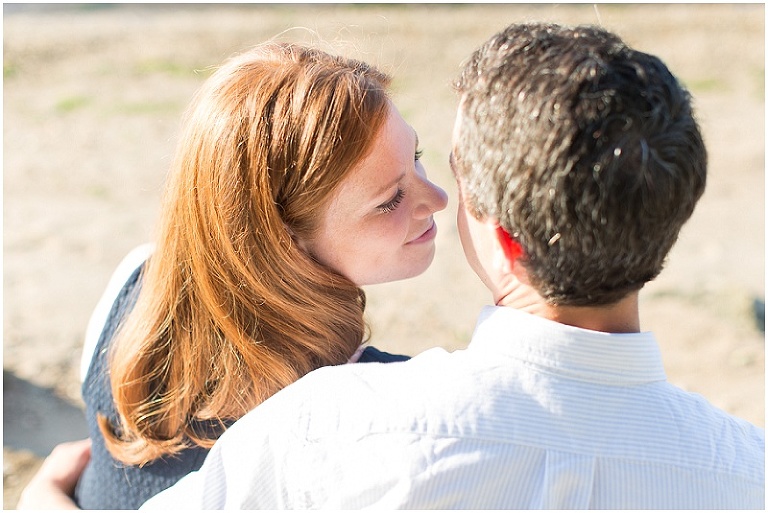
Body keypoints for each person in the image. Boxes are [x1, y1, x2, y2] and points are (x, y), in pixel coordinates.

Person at [19, 21, 765, 509]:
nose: (437, 196)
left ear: (505, 240)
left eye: (447, 169)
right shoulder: (744, 473)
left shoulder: (335, 428)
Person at [53, 42, 447, 510]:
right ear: (281, 238)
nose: (437, 197)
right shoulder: (389, 407)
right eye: (390, 199)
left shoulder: (131, 288)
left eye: (416, 156)